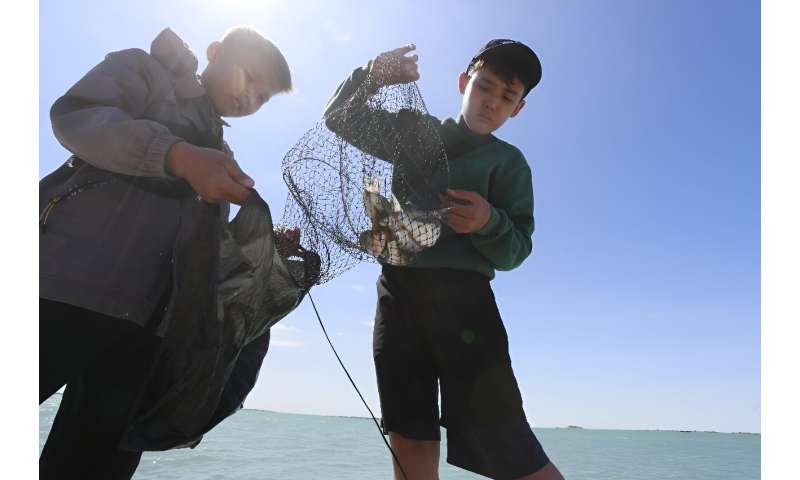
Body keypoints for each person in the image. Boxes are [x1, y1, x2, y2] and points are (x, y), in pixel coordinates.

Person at [39, 26, 292, 479]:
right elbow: (76, 115)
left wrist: (266, 254)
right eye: (248, 77)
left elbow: (204, 258)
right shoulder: (147, 71)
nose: (249, 97)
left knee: (93, 464)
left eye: (263, 96)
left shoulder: (222, 156)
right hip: (61, 291)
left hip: (147, 336)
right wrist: (176, 155)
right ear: (215, 52)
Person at [324, 40, 565, 479]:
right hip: (398, 298)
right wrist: (372, 77)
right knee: (410, 443)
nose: (491, 102)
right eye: (484, 86)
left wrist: (488, 221)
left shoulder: (509, 164)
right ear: (463, 83)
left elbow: (518, 249)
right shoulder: (413, 132)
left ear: (518, 109)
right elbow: (339, 118)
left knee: (511, 447)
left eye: (506, 97)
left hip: (467, 307)